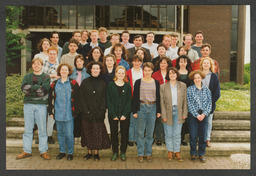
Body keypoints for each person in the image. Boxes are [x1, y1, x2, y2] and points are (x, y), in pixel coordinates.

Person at [16, 58, 51, 160]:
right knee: (28, 129)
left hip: (41, 105)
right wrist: (37, 87)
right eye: (34, 64)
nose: (36, 65)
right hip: (28, 105)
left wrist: (31, 88)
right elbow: (24, 89)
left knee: (42, 129)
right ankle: (27, 151)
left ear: (42, 65)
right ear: (32, 66)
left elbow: (44, 91)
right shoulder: (27, 76)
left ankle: (43, 151)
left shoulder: (46, 77)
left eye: (38, 64)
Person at [79, 61, 111, 161]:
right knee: (88, 132)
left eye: (98, 69)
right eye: (94, 68)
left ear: (100, 70)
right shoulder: (85, 82)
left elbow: (105, 98)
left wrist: (101, 111)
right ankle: (89, 153)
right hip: (86, 113)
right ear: (90, 70)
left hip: (99, 113)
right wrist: (86, 111)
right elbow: (81, 98)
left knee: (97, 133)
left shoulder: (103, 83)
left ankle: (96, 153)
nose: (96, 70)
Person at [48, 63, 80, 161]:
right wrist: (51, 112)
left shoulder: (73, 83)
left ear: (69, 72)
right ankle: (62, 151)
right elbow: (50, 99)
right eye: (62, 70)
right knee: (60, 134)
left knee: (69, 134)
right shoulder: (54, 84)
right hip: (58, 114)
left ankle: (70, 153)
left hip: (69, 114)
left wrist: (76, 112)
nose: (64, 72)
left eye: (66, 70)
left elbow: (78, 99)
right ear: (59, 71)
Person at [132, 62, 161, 163]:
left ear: (152, 71)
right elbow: (134, 97)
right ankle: (140, 153)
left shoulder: (156, 82)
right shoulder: (138, 82)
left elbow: (158, 98)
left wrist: (158, 111)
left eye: (149, 70)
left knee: (150, 132)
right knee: (140, 132)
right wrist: (134, 110)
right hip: (141, 107)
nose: (147, 72)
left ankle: (148, 153)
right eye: (145, 70)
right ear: (143, 71)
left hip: (152, 108)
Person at [160, 67, 188, 161]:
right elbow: (162, 102)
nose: (172, 75)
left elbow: (185, 101)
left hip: (179, 112)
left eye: (174, 73)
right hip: (168, 112)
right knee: (168, 133)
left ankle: (177, 151)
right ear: (168, 75)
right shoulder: (163, 86)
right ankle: (170, 151)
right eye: (170, 73)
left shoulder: (183, 85)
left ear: (177, 74)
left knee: (177, 133)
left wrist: (185, 113)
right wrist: (163, 115)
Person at [107, 66, 132, 161]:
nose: (121, 75)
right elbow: (108, 101)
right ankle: (115, 152)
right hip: (113, 114)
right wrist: (113, 114)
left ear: (125, 74)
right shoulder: (110, 85)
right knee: (113, 134)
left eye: (122, 73)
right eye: (119, 73)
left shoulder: (127, 85)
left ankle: (123, 152)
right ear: (116, 73)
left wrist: (125, 114)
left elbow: (129, 101)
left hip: (124, 115)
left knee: (124, 134)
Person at [187, 70, 212, 163]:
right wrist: (197, 115)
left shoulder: (207, 90)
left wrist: (204, 114)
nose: (197, 79)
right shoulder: (189, 89)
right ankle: (193, 153)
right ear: (193, 80)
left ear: (201, 78)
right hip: (193, 116)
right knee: (193, 136)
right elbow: (189, 104)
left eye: (198, 77)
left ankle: (201, 154)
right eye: (195, 78)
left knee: (203, 136)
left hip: (204, 115)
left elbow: (209, 103)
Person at [200, 57, 221, 147]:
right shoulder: (198, 75)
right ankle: (200, 139)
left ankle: (207, 139)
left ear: (210, 65)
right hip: (198, 103)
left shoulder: (214, 76)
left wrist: (210, 103)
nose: (206, 64)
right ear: (201, 64)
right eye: (204, 63)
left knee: (208, 122)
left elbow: (217, 92)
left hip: (210, 104)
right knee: (200, 122)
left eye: (207, 63)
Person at [152, 57, 172, 146]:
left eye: (165, 63)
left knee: (167, 119)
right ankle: (158, 138)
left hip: (169, 99)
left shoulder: (171, 73)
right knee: (158, 119)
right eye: (161, 63)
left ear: (168, 64)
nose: (163, 64)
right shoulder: (155, 74)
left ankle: (166, 137)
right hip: (158, 99)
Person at [69, 55, 90, 138]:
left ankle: (83, 133)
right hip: (74, 96)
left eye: (80, 61)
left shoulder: (87, 73)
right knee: (75, 115)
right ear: (75, 63)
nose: (79, 63)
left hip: (84, 97)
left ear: (83, 62)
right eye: (77, 61)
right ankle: (75, 133)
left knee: (83, 115)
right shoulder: (71, 73)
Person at [42, 46, 60, 144]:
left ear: (57, 55)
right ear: (48, 54)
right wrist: (52, 76)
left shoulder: (59, 66)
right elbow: (40, 76)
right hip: (43, 92)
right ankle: (42, 135)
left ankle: (49, 135)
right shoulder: (43, 64)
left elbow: (60, 78)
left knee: (51, 114)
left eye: (54, 54)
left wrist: (47, 76)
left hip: (53, 92)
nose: (52, 55)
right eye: (51, 53)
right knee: (42, 114)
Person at [175, 55, 192, 146]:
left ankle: (182, 138)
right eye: (181, 61)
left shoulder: (190, 73)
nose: (183, 63)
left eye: (184, 61)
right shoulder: (175, 72)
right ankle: (176, 137)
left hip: (187, 99)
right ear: (178, 62)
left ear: (187, 62)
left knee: (184, 119)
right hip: (177, 99)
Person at [126, 55, 143, 146]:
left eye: (139, 61)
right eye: (135, 61)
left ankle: (137, 138)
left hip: (141, 98)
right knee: (132, 119)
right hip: (131, 98)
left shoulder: (144, 72)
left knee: (139, 120)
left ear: (141, 62)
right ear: (132, 62)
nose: (137, 63)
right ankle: (131, 138)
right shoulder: (128, 72)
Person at [102, 54, 117, 135]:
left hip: (115, 98)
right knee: (106, 117)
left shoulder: (117, 72)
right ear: (105, 62)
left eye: (111, 60)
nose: (109, 62)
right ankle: (108, 133)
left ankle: (114, 134)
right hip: (104, 97)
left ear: (114, 61)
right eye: (107, 60)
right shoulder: (102, 72)